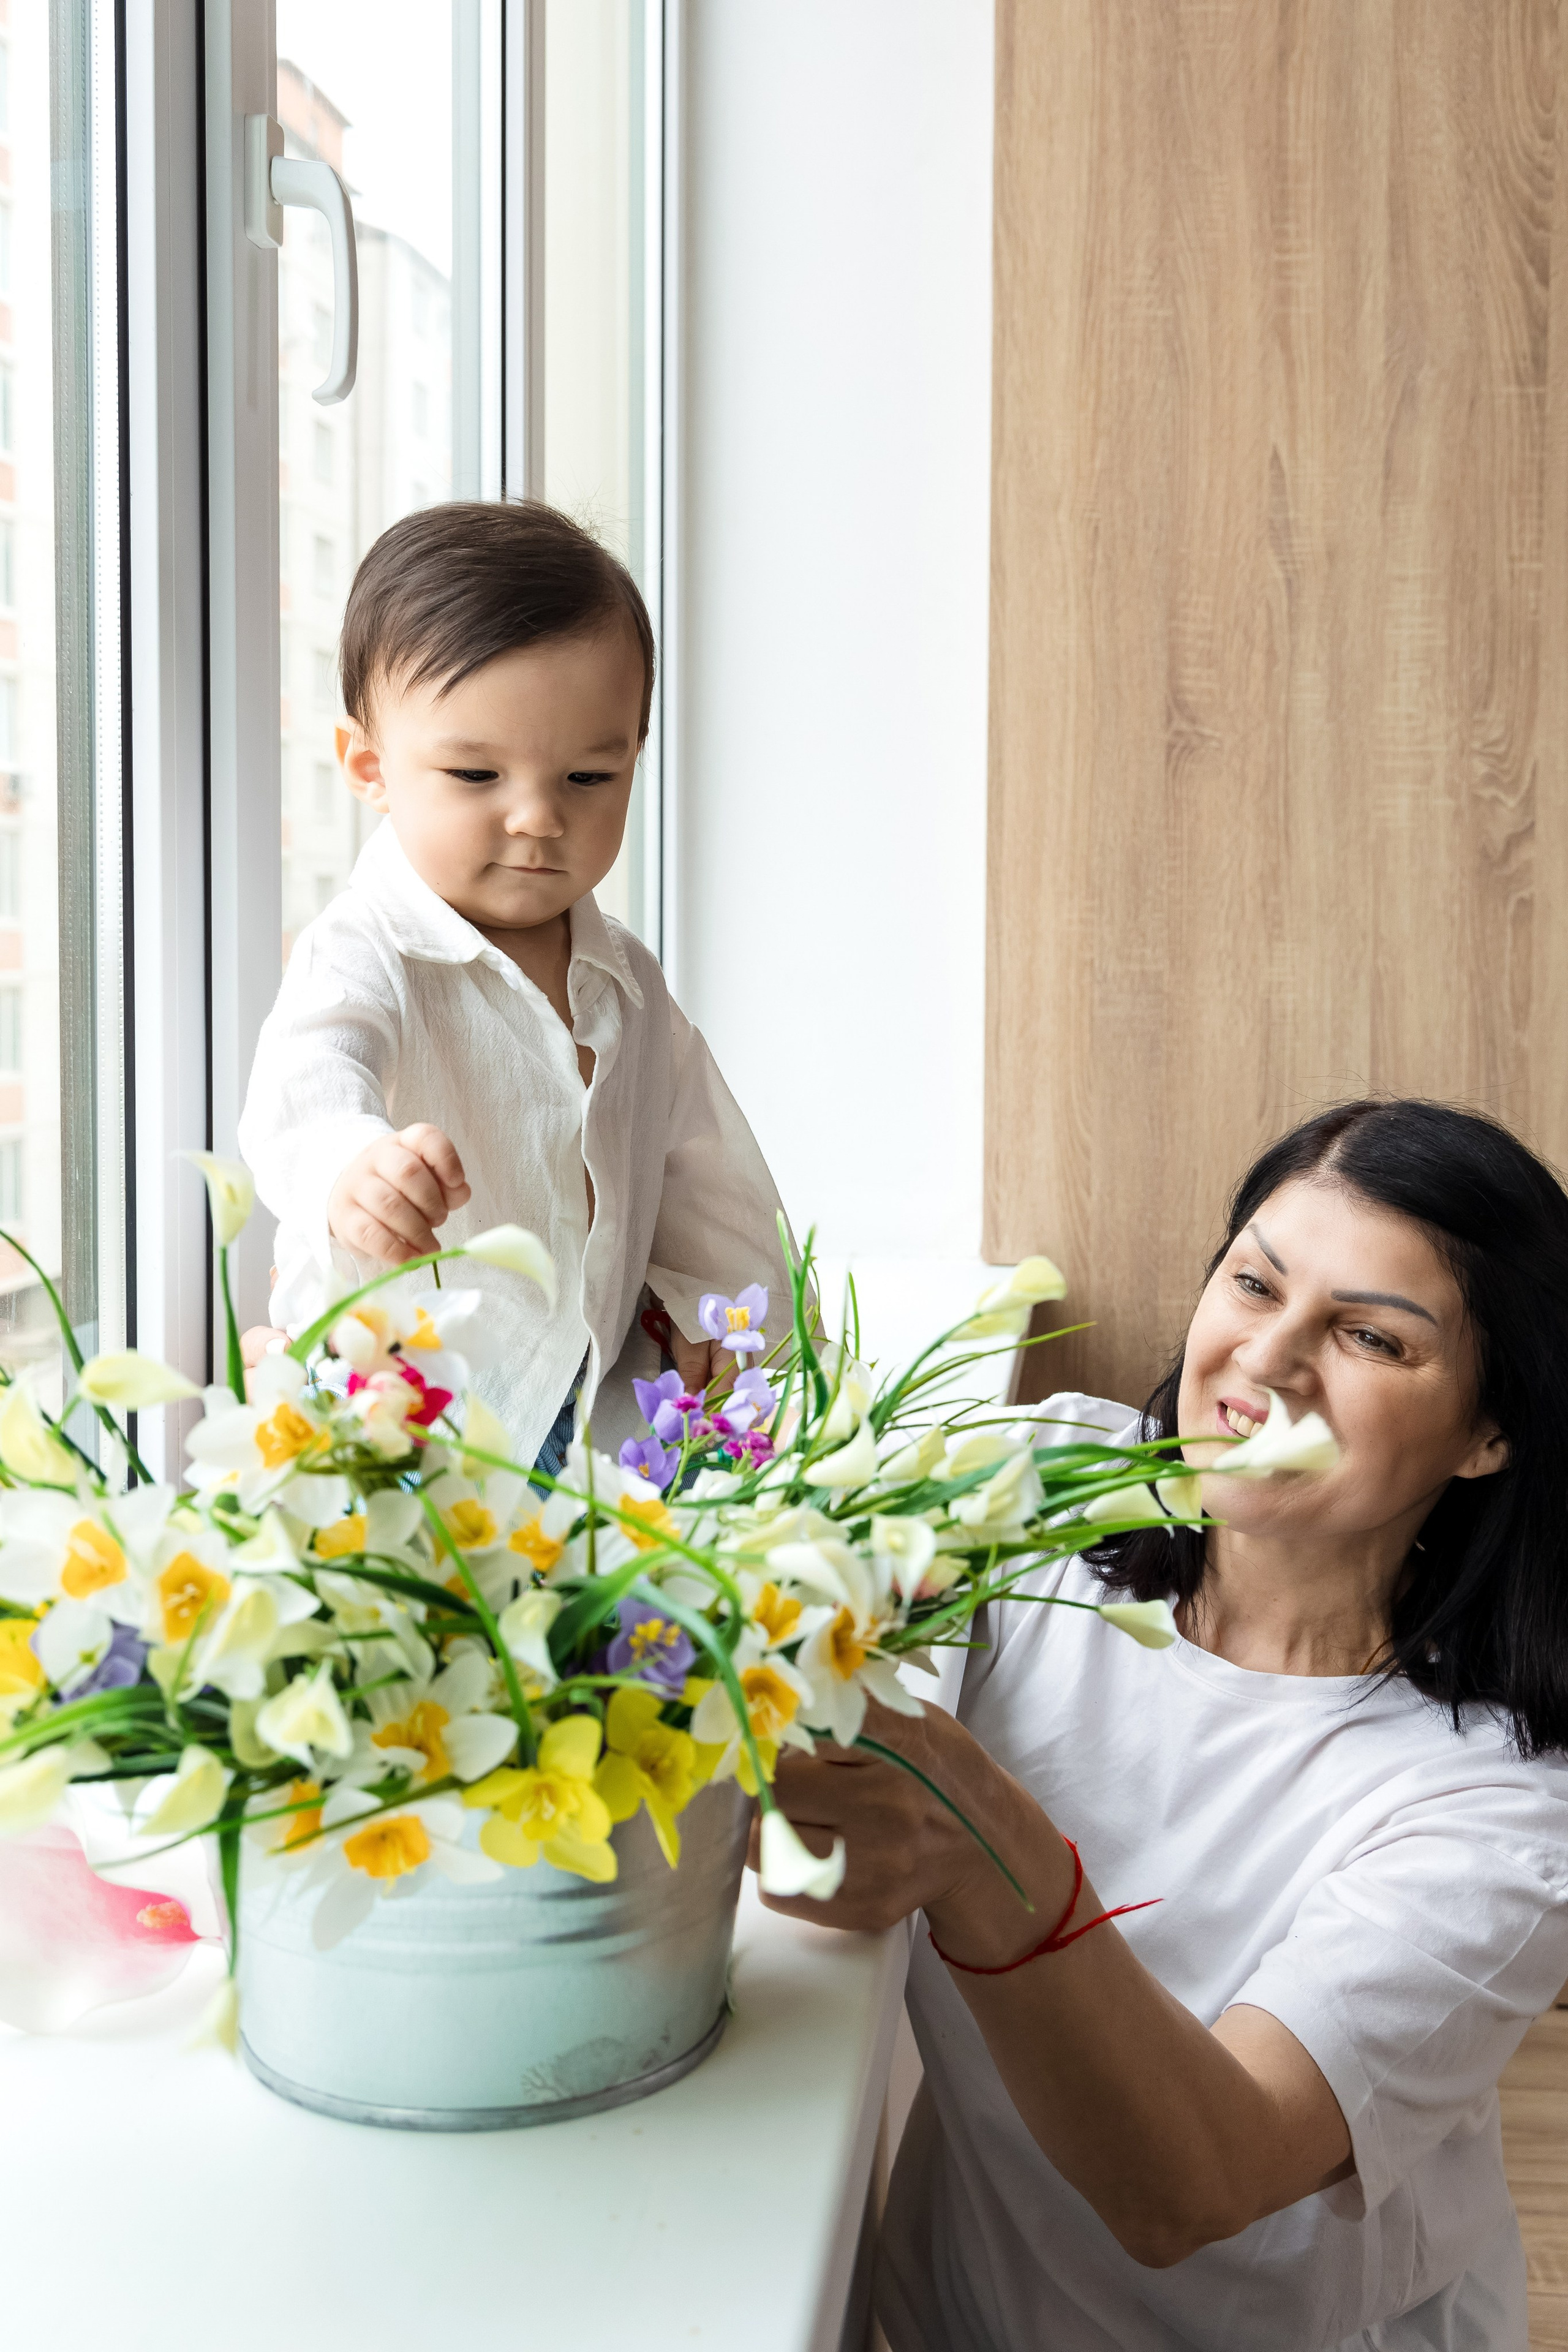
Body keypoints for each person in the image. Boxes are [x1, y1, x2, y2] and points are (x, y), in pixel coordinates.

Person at [756, 1100, 1568, 2350]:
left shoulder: (1501, 1810)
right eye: (1254, 1284)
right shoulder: (1026, 1491)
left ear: (1490, 1432)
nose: (1269, 1359)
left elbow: (1193, 2186)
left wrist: (986, 1852)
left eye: (1368, 1336)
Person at [238, 500, 790, 1472]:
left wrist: (728, 1314)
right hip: (405, 1408)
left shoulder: (626, 978)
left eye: (588, 778)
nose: (538, 817)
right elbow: (309, 1079)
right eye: (474, 774)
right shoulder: (368, 948)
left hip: (594, 1399)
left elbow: (699, 1164)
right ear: (370, 766)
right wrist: (350, 1166)